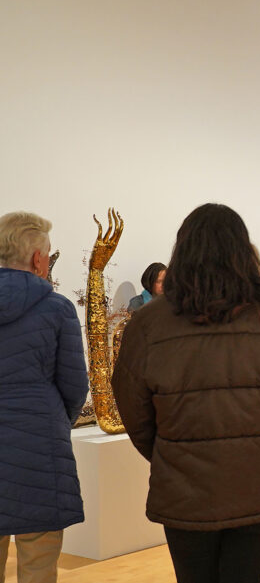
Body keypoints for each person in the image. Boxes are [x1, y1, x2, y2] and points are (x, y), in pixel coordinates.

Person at [112, 204, 260, 583]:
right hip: (259, 483)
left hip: (186, 489)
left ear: (181, 252)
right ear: (244, 252)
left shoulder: (149, 322)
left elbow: (133, 408)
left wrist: (171, 449)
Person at [0, 212, 88, 583]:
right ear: (38, 259)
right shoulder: (57, 309)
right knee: (38, 566)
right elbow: (74, 387)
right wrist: (51, 422)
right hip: (40, 452)